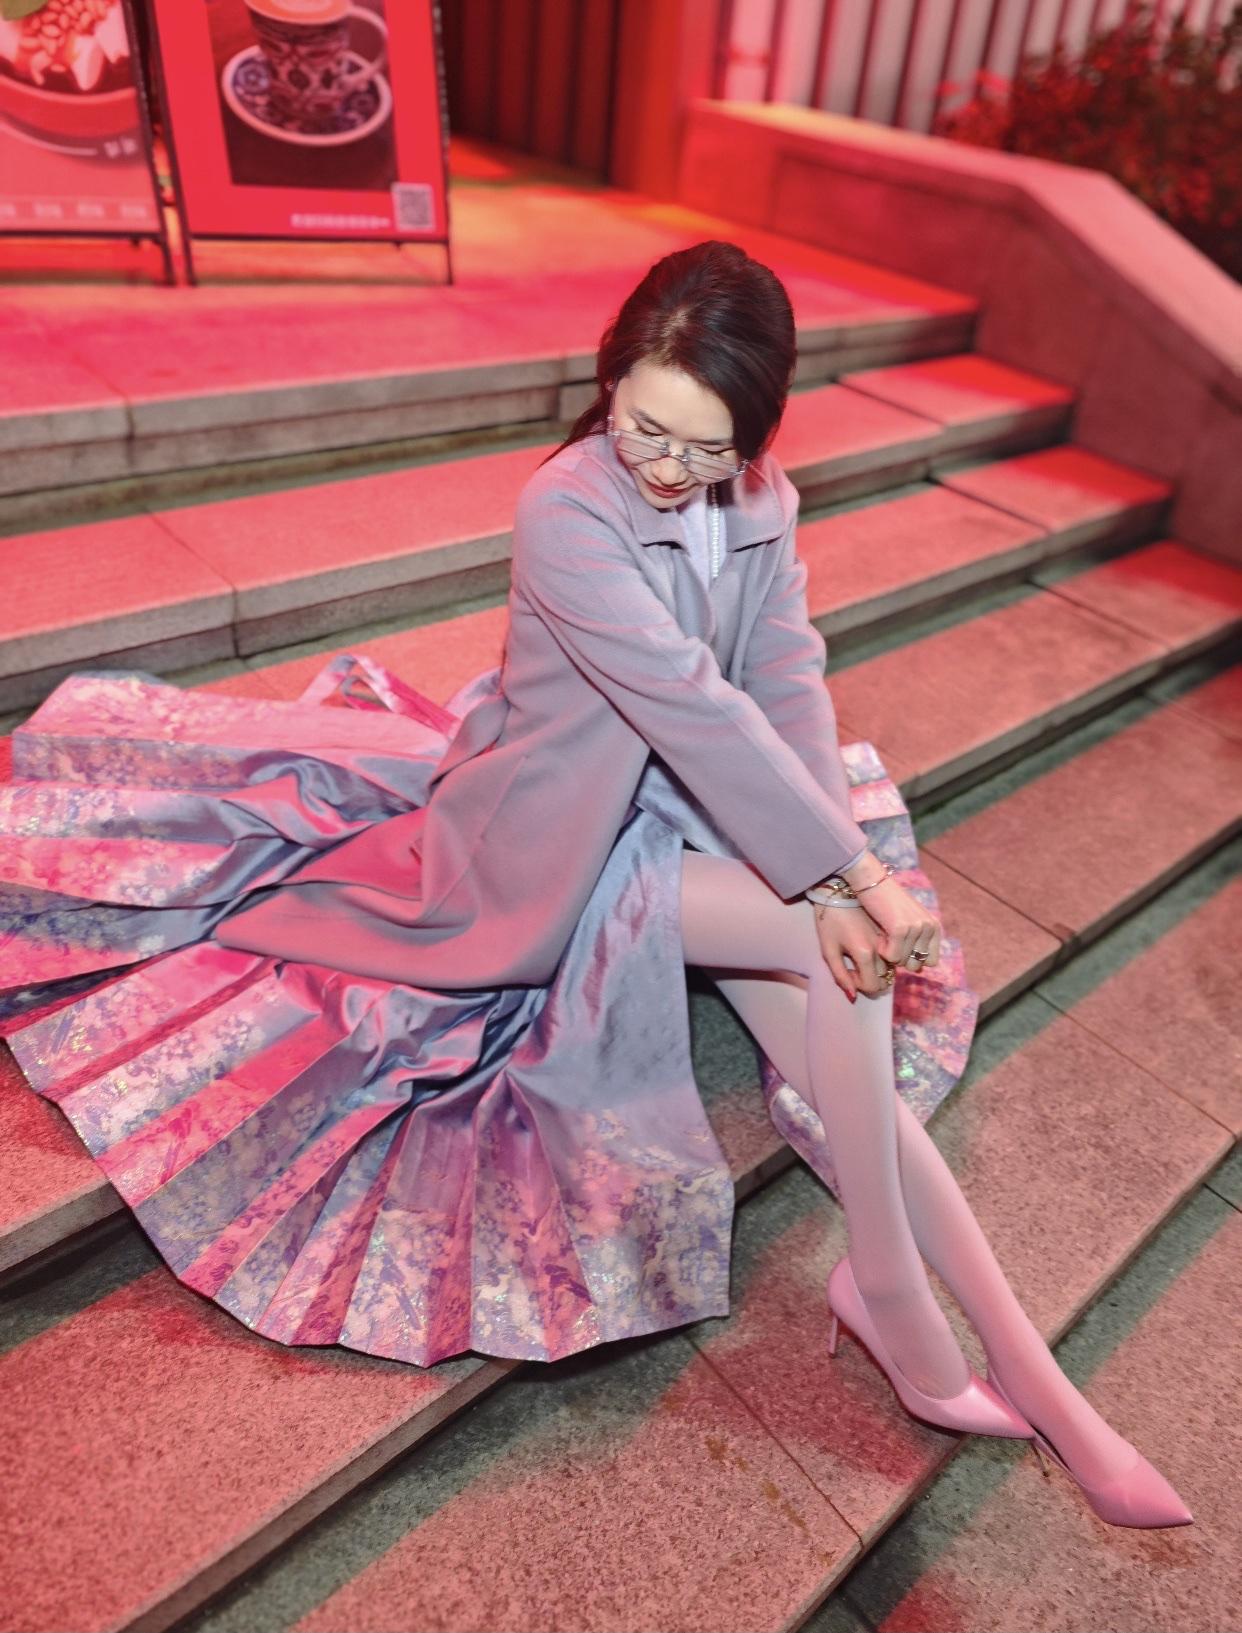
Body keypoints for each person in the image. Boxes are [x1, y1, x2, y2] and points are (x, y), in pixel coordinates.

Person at [0, 241, 1188, 1530]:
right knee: (831, 955)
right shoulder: (565, 507)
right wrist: (843, 878)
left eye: (707, 447)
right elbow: (684, 701)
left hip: (691, 814)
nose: (668, 467)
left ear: (759, 432)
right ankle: (915, 1314)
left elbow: (781, 681)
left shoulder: (764, 500)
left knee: (840, 985)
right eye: (643, 426)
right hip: (555, 834)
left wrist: (835, 877)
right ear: (609, 380)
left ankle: (996, 1356)